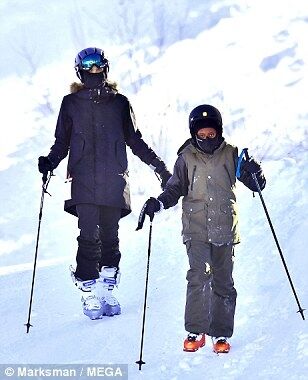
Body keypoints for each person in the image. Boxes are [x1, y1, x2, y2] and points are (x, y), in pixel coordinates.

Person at [38, 47, 171, 320]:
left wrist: (159, 167)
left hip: (114, 179)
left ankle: (108, 288)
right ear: (80, 71)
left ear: (106, 69)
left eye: (99, 66)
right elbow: (62, 142)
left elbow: (134, 140)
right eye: (89, 67)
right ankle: (89, 292)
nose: (94, 71)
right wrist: (50, 161)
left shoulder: (120, 103)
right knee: (88, 234)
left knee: (110, 236)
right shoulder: (70, 103)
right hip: (83, 179)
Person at [143, 104, 266, 353]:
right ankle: (195, 331)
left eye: (211, 134)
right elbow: (175, 188)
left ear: (218, 132)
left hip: (224, 228)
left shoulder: (232, 154)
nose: (207, 138)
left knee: (223, 281)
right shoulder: (186, 157)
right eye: (202, 135)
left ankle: (220, 334)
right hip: (195, 228)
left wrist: (256, 172)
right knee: (199, 274)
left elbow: (257, 185)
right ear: (194, 134)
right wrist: (159, 202)